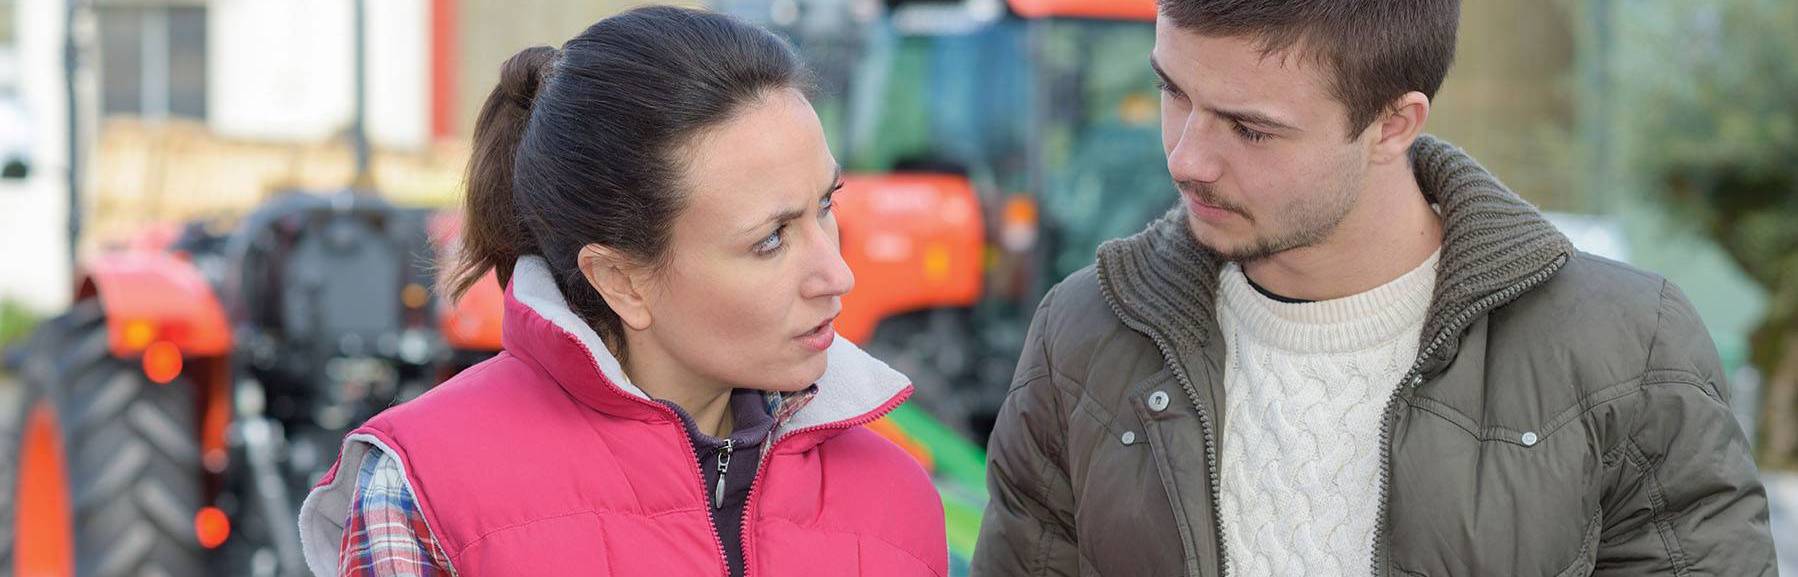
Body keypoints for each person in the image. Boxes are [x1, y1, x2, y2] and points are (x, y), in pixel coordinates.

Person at [972, 1, 1776, 575]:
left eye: (1250, 129)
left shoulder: (1628, 347)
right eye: (1172, 91)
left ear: (1394, 123)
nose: (1187, 157)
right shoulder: (1081, 337)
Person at [297, 6, 947, 576]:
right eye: (771, 239)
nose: (837, 274)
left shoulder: (897, 497)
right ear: (621, 279)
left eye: (825, 205)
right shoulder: (424, 490)